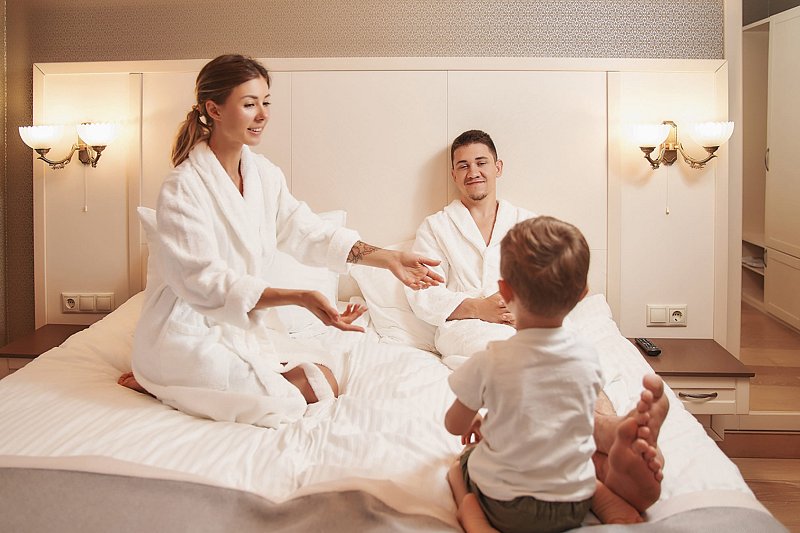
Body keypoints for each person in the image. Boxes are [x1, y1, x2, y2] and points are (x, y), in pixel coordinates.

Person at [118, 54, 443, 428]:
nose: (263, 115)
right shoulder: (183, 188)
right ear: (214, 109)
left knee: (322, 381)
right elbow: (203, 282)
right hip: (184, 332)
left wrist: (387, 258)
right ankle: (157, 379)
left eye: (266, 102)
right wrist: (299, 296)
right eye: (249, 104)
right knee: (284, 401)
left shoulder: (263, 175)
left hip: (237, 327)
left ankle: (186, 384)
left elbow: (308, 232)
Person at [444, 216, 664, 532]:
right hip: (571, 504)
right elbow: (554, 413)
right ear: (582, 294)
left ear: (504, 292)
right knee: (569, 450)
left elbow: (454, 425)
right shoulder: (587, 357)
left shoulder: (490, 361)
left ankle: (475, 519)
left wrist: (476, 420)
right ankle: (603, 496)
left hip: (507, 508)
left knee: (460, 465)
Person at [405, 129, 534, 367]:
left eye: (481, 163)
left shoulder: (528, 223)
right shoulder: (436, 227)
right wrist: (479, 308)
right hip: (465, 329)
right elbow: (423, 293)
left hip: (522, 323)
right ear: (454, 175)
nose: (473, 172)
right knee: (505, 356)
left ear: (498, 168)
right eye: (463, 166)